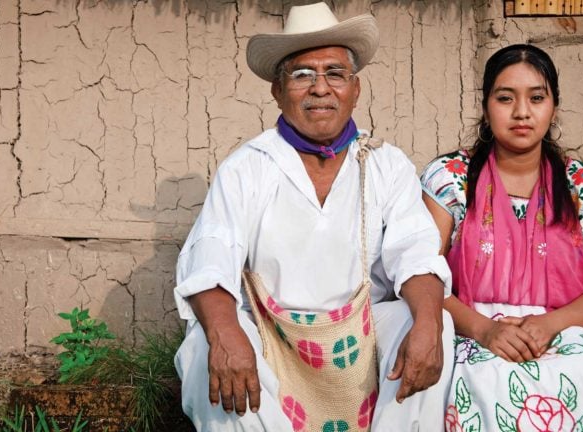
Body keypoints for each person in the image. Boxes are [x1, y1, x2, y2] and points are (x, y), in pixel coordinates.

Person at [173, 3, 454, 431]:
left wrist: (430, 322)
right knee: (201, 347)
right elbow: (211, 256)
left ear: (355, 89)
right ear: (277, 91)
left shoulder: (385, 164)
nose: (320, 88)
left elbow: (416, 255)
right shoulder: (249, 167)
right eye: (303, 74)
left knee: (431, 324)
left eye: (335, 73)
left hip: (359, 338)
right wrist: (226, 333)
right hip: (272, 337)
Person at [420, 44, 583, 431]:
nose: (522, 112)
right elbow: (423, 278)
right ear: (486, 106)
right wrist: (485, 330)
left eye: (536, 98)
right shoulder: (450, 179)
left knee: (579, 380)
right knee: (488, 383)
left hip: (564, 329)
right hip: (468, 330)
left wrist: (549, 325)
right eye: (506, 98)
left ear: (554, 106)